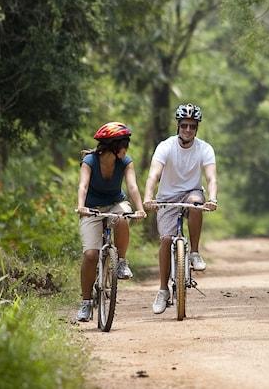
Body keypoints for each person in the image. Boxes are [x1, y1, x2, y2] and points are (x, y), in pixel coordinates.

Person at [143, 103, 218, 315]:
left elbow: (211, 177)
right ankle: (163, 290)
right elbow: (153, 175)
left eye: (192, 126)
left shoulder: (204, 148)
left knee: (196, 204)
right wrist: (149, 197)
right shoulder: (165, 146)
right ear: (178, 126)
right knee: (166, 240)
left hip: (191, 192)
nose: (187, 130)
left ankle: (194, 252)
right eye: (184, 125)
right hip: (166, 197)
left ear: (197, 128)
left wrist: (212, 198)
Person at [74, 121, 146, 322]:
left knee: (122, 217)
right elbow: (83, 186)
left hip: (116, 203)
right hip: (92, 209)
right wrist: (81, 206)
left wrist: (139, 208)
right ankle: (86, 302)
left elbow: (132, 187)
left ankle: (121, 261)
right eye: (124, 143)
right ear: (114, 146)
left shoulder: (125, 162)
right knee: (90, 255)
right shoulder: (89, 161)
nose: (126, 148)